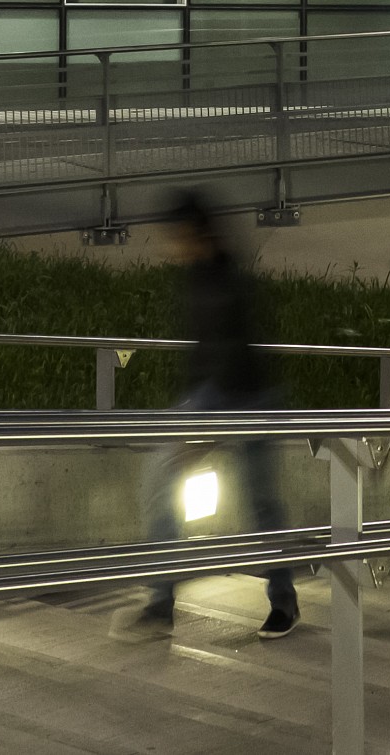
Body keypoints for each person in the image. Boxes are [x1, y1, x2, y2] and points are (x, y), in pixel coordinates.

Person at [113, 192, 298, 643]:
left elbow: (234, 354)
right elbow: (200, 349)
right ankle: (159, 605)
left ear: (196, 234)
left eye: (175, 236)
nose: (170, 246)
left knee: (261, 505)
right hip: (205, 398)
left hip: (249, 400)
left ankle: (284, 603)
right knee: (159, 491)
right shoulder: (197, 276)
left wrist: (206, 430)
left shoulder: (231, 280)